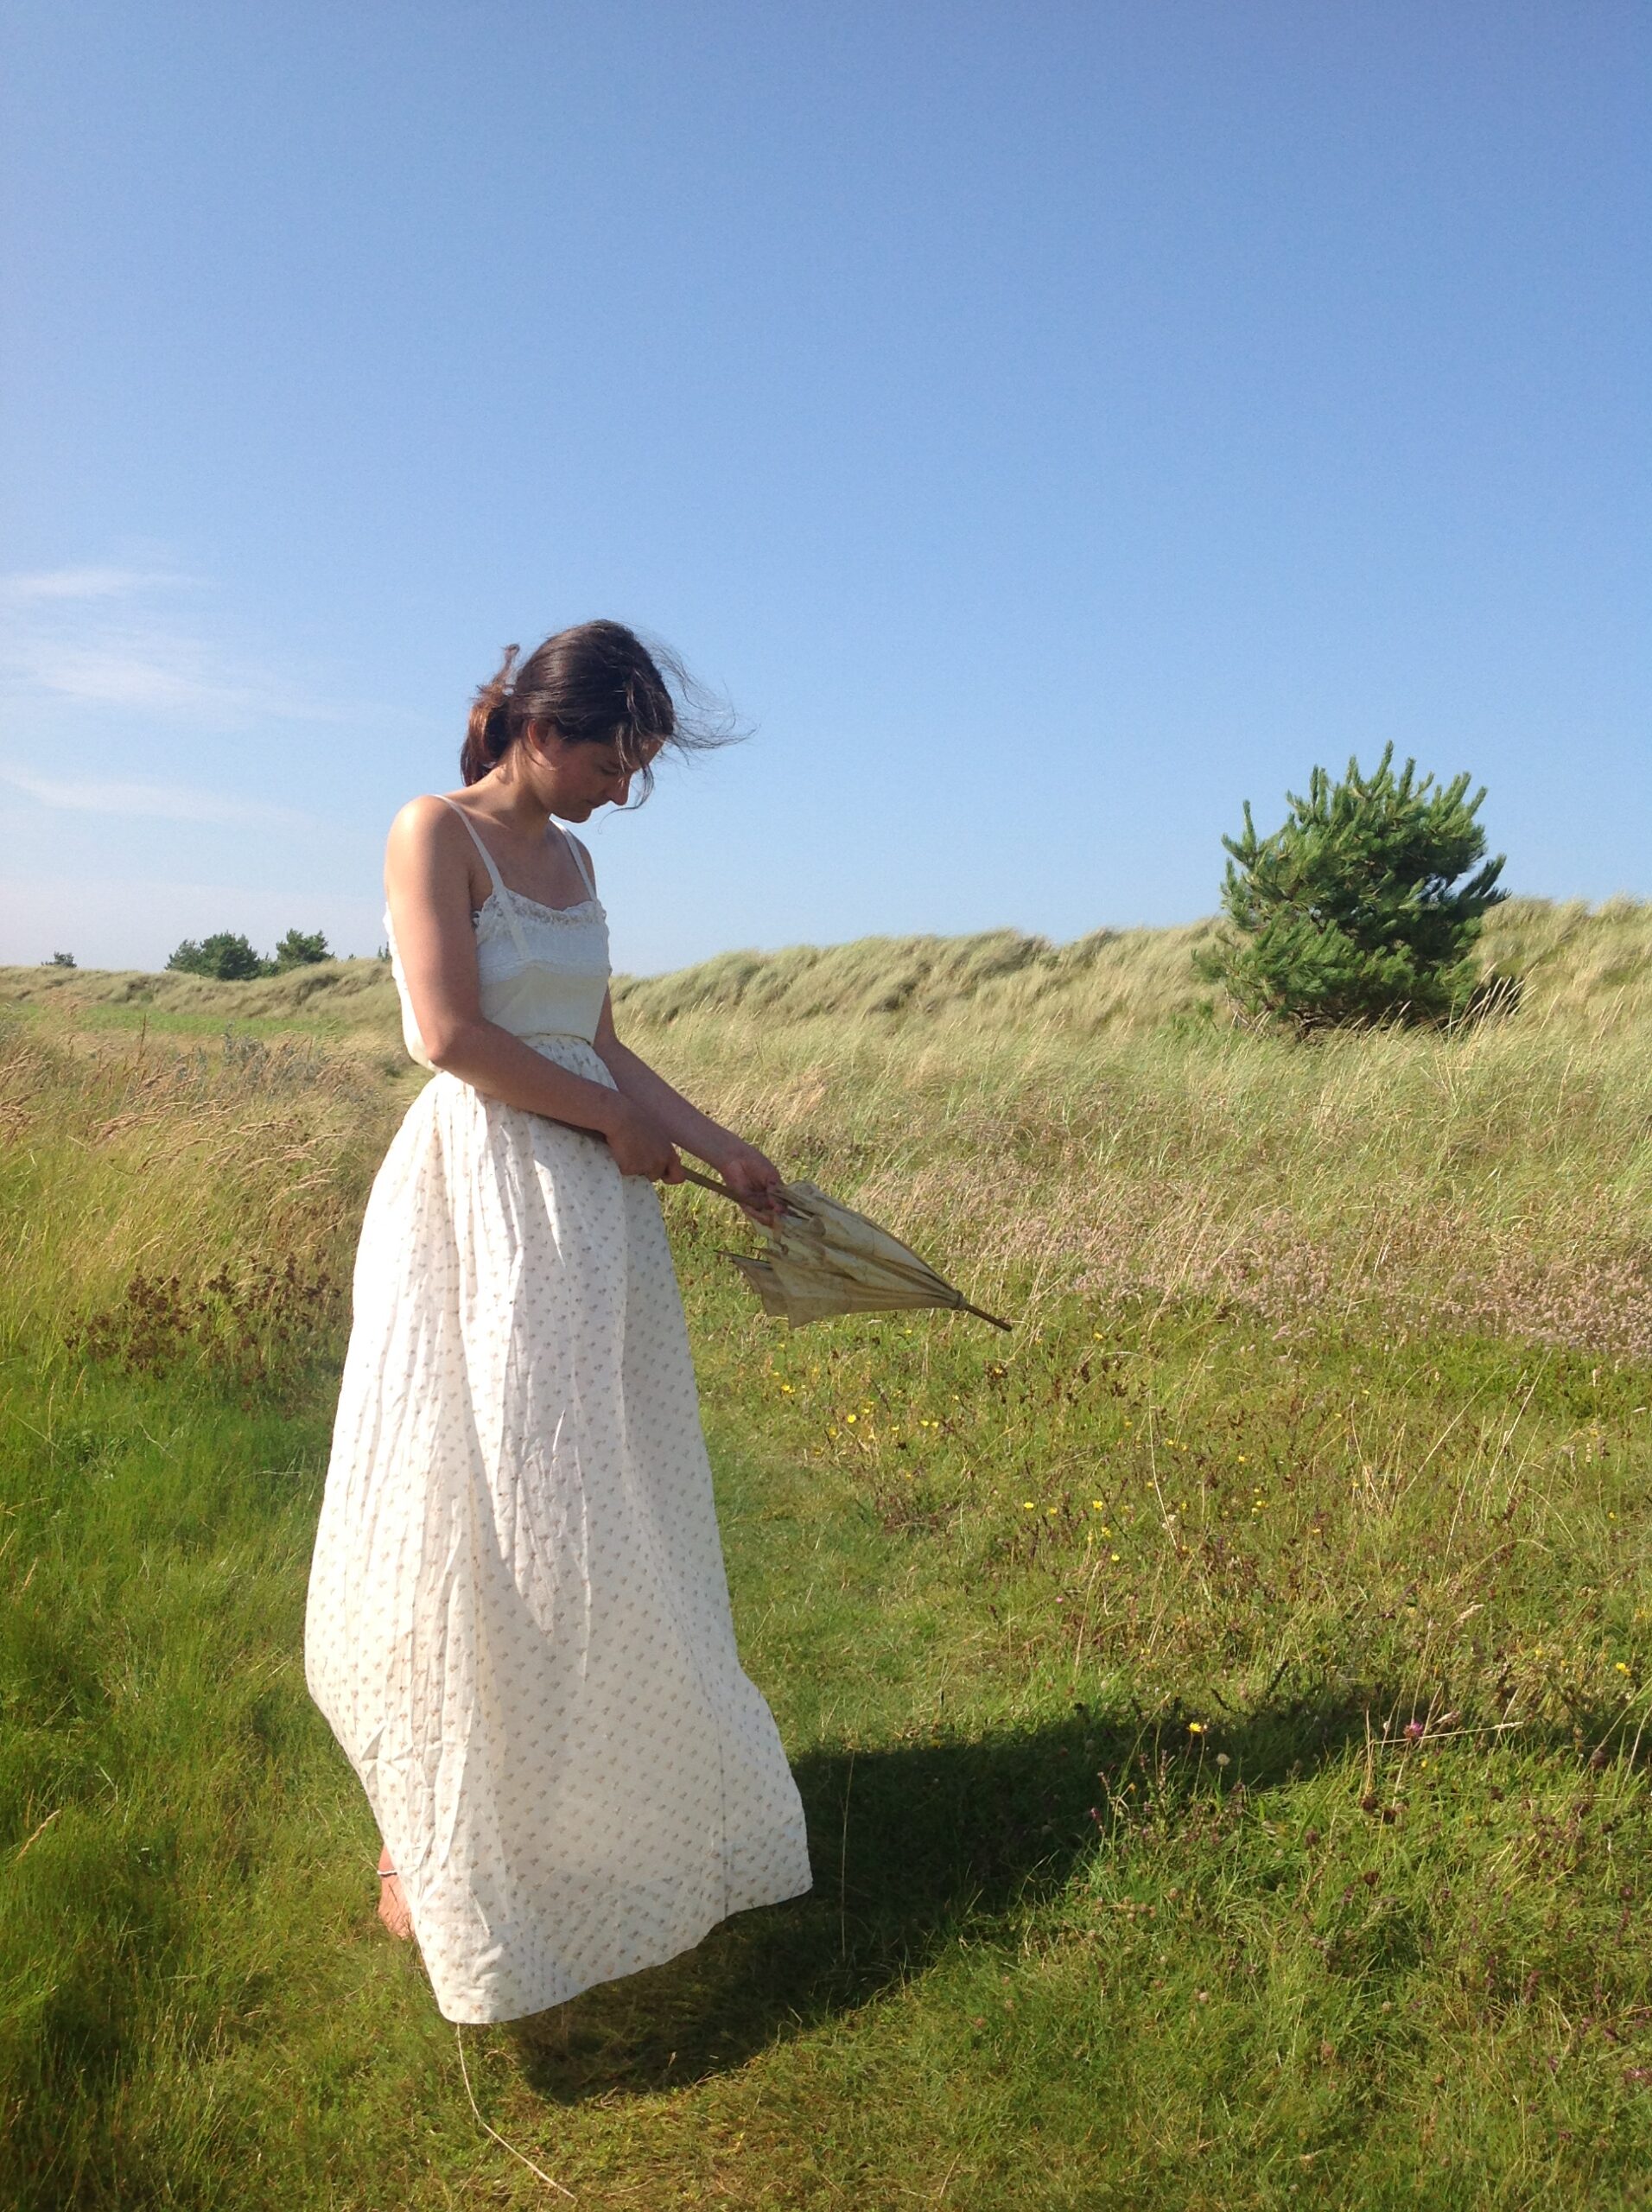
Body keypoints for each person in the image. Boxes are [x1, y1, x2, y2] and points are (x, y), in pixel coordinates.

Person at [304, 620, 814, 2024]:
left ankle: (559, 1822)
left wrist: (715, 1146)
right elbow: (447, 1035)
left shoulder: (579, 865)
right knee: (473, 1509)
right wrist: (610, 1126)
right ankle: (435, 1844)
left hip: (590, 1222)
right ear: (550, 725)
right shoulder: (438, 831)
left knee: (586, 1505)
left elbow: (598, 1039)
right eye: (618, 759)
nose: (623, 793)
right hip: (480, 1200)